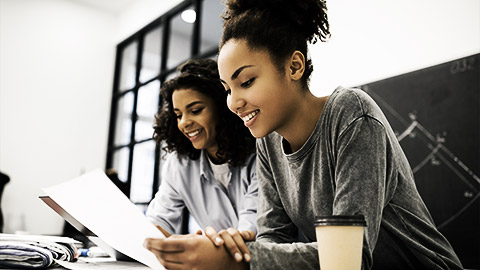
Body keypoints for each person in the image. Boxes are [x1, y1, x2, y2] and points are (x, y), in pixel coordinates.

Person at [144, 1, 464, 269]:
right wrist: (238, 250)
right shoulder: (267, 141)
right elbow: (273, 239)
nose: (233, 102)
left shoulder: (351, 114)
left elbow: (349, 259)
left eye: (247, 82)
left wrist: (238, 261)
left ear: (294, 66)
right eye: (228, 89)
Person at [144, 59, 258, 264]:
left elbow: (252, 230)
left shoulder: (260, 155)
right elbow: (158, 220)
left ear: (224, 108)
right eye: (178, 115)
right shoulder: (179, 164)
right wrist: (150, 240)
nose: (184, 123)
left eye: (195, 110)